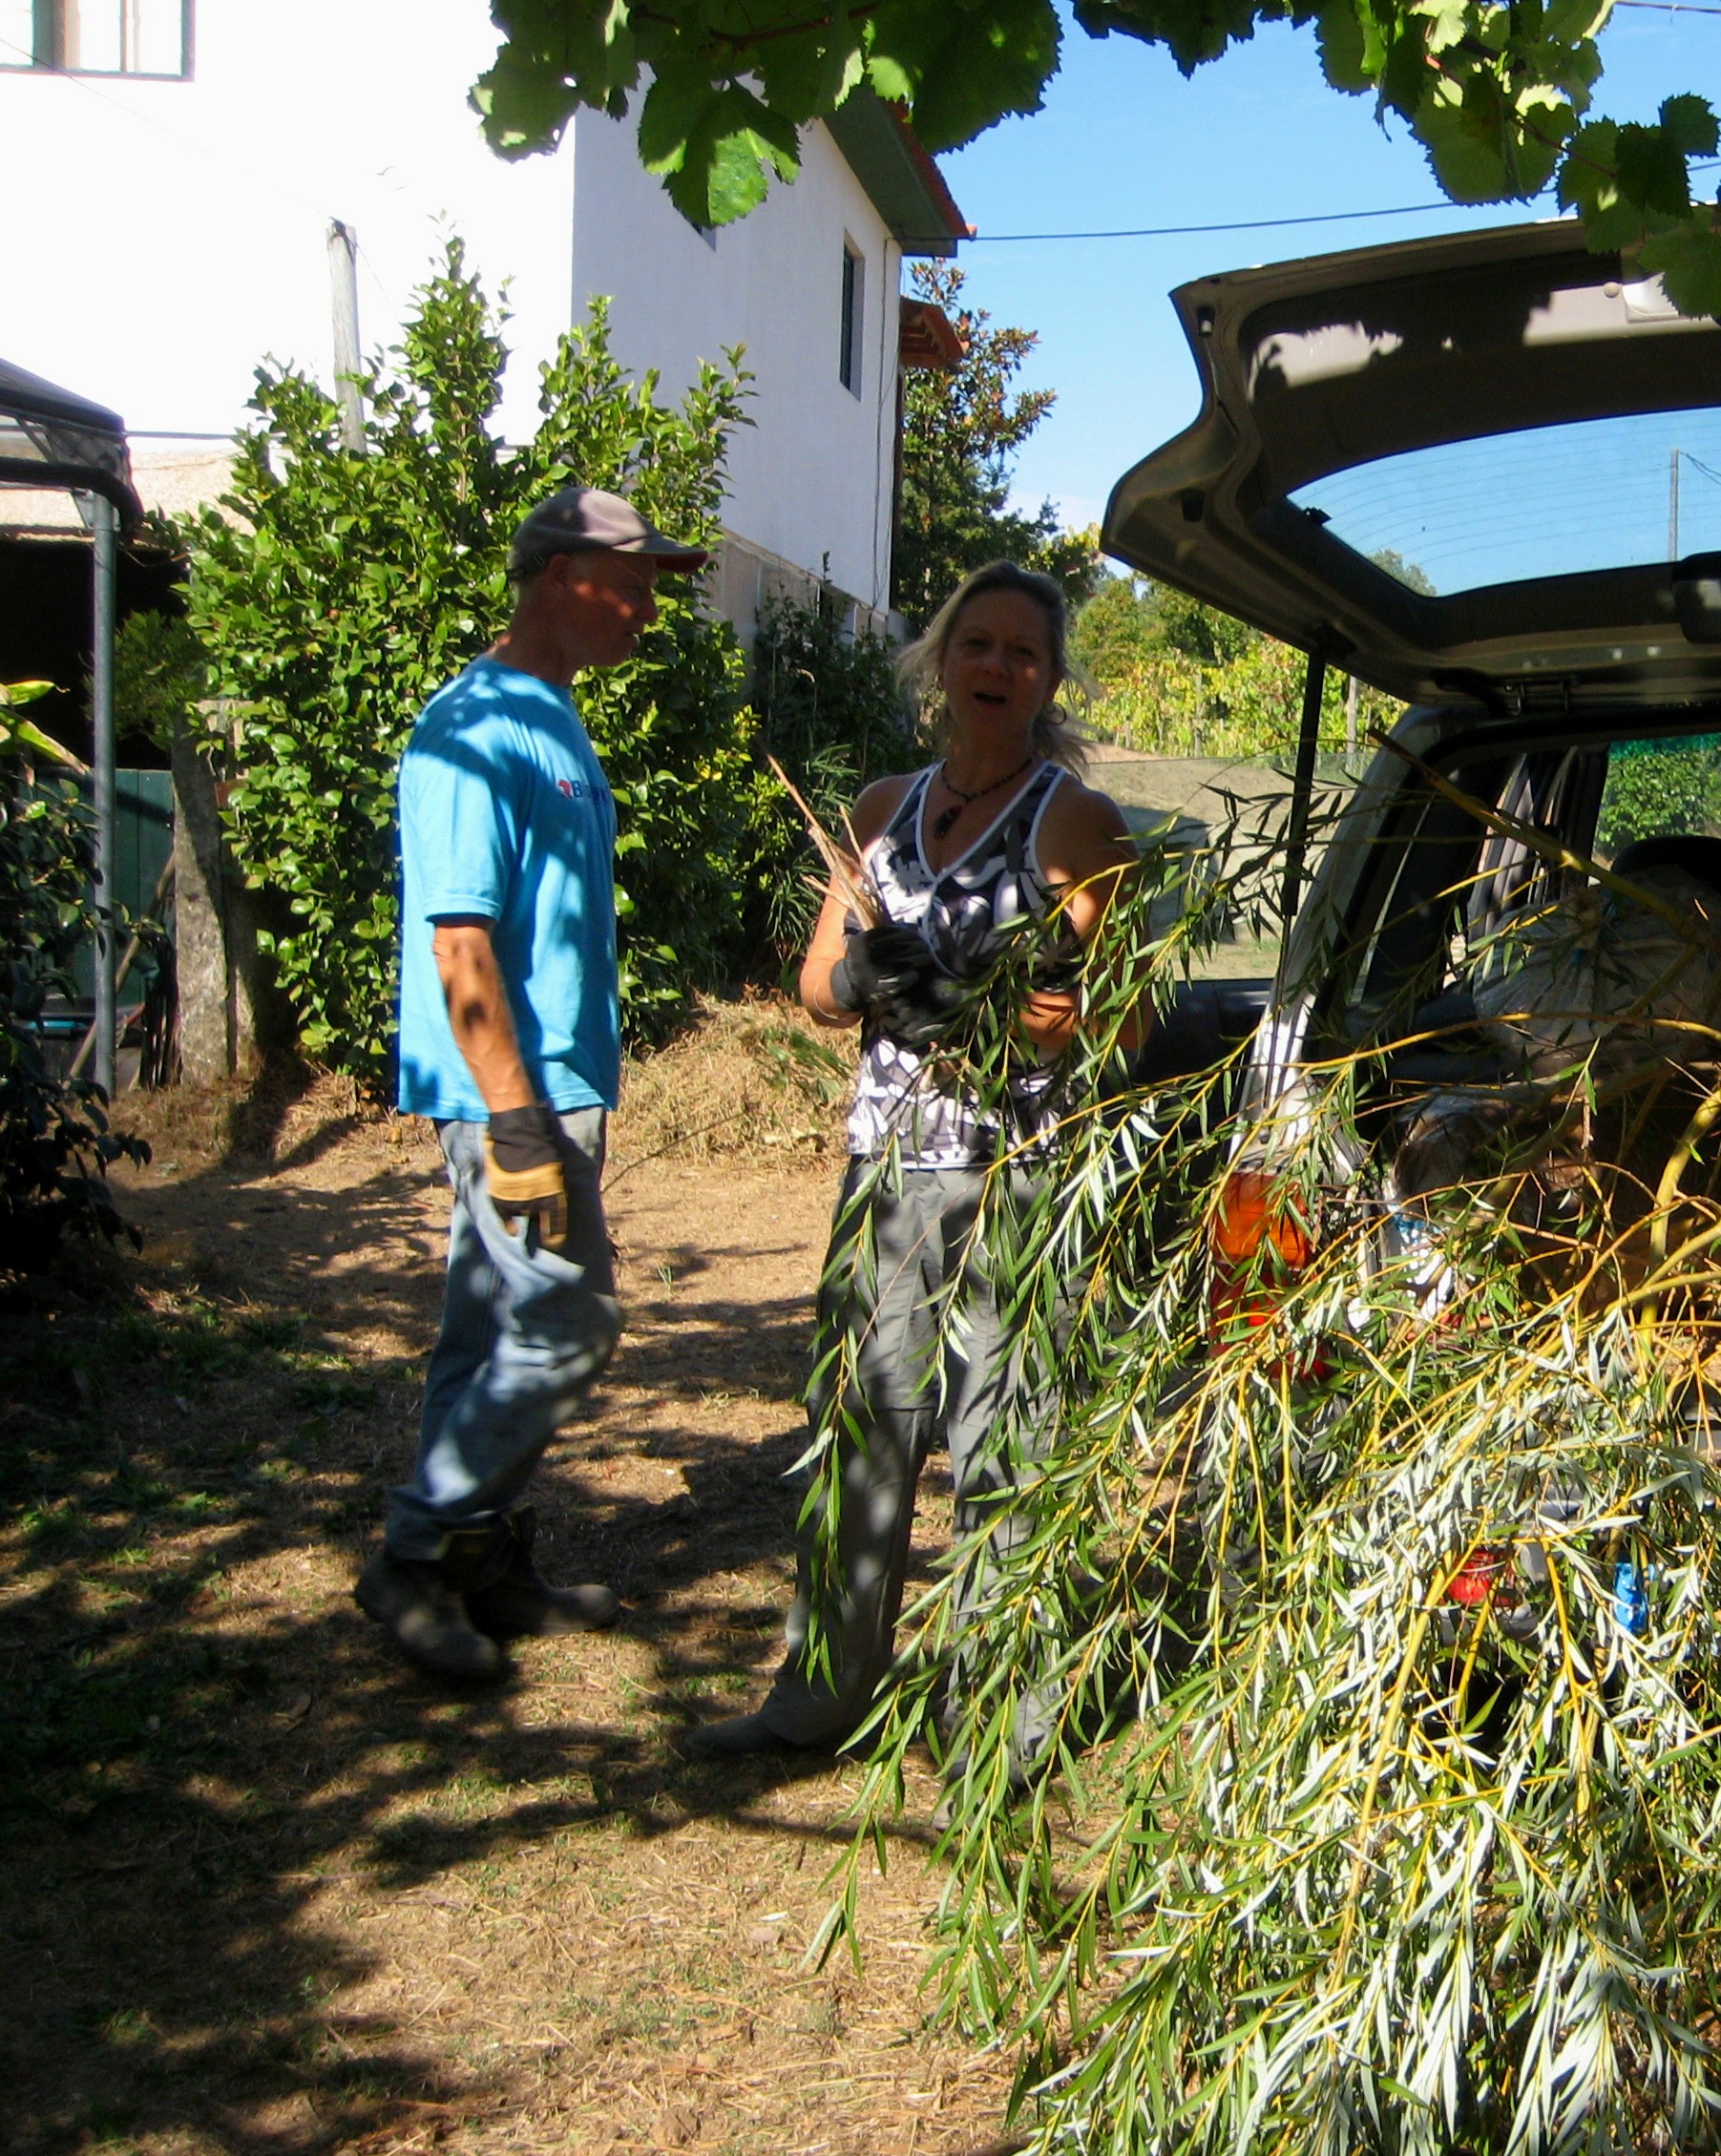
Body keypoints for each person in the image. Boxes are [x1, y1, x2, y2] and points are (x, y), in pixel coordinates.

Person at [684, 560, 1137, 1762]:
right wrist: (857, 977)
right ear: (940, 660)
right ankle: (821, 1694)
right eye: (977, 644)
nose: (997, 667)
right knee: (861, 1428)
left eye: (1023, 653)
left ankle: (1000, 1723)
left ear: (1050, 679)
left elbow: (1126, 1017)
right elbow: (813, 984)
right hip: (885, 1171)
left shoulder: (1078, 825)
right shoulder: (882, 808)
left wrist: (990, 1006)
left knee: (1005, 1442)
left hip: (1016, 1177)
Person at [354, 485, 706, 1682]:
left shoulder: (552, 715)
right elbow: (459, 942)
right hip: (513, 1096)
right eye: (635, 583)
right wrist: (514, 1118)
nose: (648, 608)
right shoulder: (472, 726)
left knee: (486, 1328)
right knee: (568, 1321)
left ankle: (483, 1563)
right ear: (563, 574)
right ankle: (415, 1554)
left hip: (552, 1084)